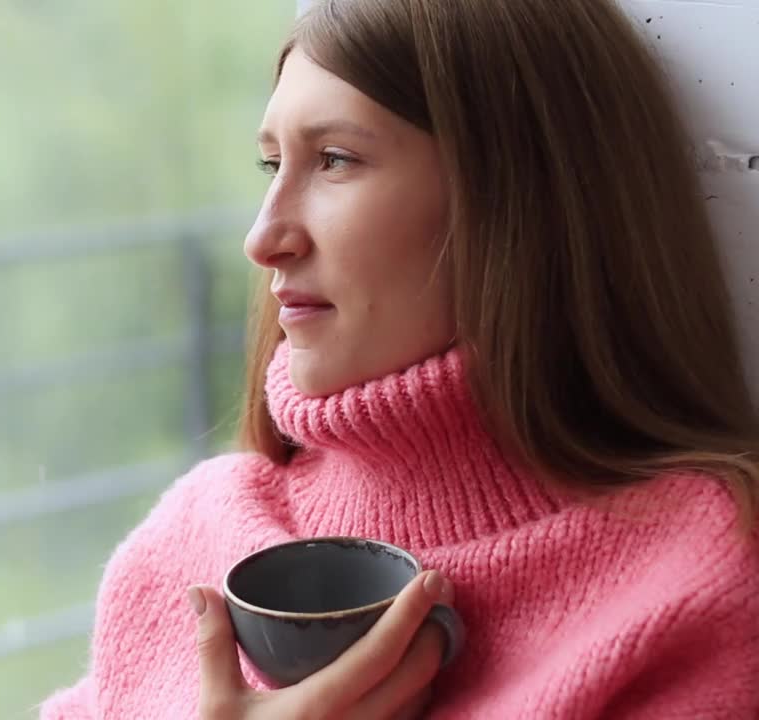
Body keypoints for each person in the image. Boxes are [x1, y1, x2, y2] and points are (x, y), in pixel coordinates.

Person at [40, 0, 759, 717]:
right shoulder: (188, 541)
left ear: (519, 199)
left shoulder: (700, 581)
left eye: (335, 160)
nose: (263, 239)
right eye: (271, 163)